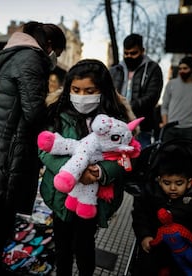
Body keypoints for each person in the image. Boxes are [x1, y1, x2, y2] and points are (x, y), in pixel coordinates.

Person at [0, 21, 66, 276]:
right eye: (57, 53)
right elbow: (33, 113)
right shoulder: (32, 60)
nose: (55, 59)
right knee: (2, 224)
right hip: (6, 155)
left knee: (0, 221)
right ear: (49, 46)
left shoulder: (15, 56)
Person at [39, 59, 134, 276]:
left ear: (102, 90)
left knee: (84, 247)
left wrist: (101, 173)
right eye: (76, 90)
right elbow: (44, 149)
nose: (81, 97)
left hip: (94, 199)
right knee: (61, 247)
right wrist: (73, 172)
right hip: (60, 196)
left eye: (89, 90)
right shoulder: (56, 111)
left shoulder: (117, 119)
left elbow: (128, 158)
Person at [131, 148, 192, 275]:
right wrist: (144, 236)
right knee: (145, 268)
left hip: (186, 249)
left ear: (189, 183)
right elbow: (141, 217)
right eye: (167, 183)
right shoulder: (151, 195)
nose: (173, 188)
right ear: (159, 180)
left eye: (179, 183)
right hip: (155, 246)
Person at [110, 33, 164, 148]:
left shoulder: (153, 69)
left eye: (133, 53)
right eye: (126, 53)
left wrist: (125, 107)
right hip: (116, 126)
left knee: (141, 161)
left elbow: (152, 97)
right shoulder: (115, 70)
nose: (129, 56)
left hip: (142, 127)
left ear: (142, 51)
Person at [161, 56, 192, 142]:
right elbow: (164, 106)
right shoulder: (171, 84)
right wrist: (166, 125)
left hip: (190, 130)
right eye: (180, 68)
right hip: (171, 128)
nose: (182, 71)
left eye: (185, 68)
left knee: (187, 155)